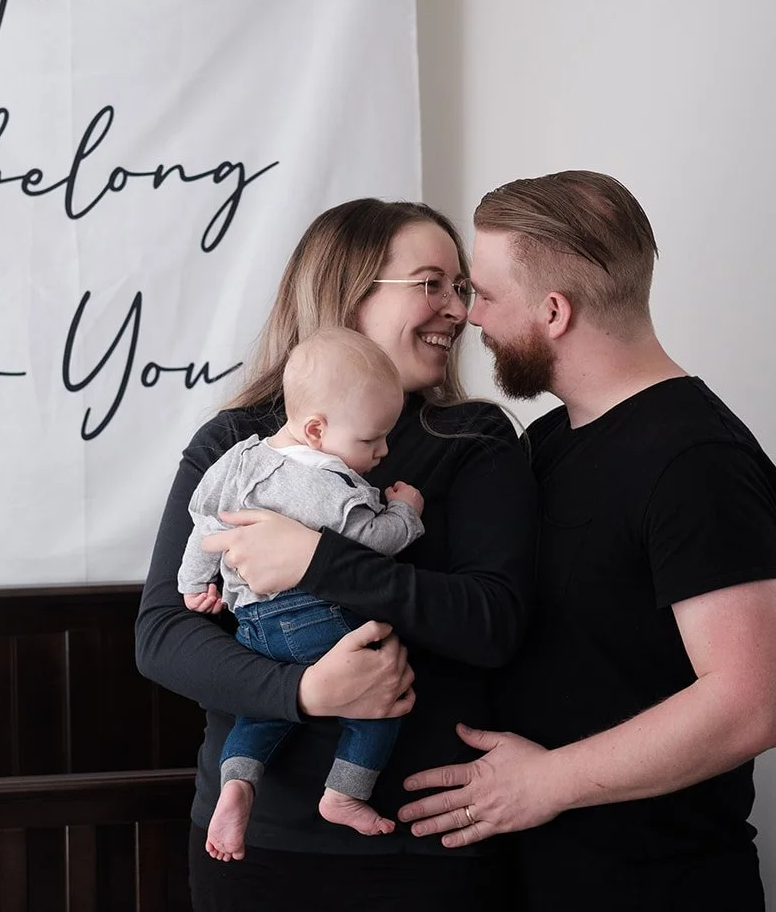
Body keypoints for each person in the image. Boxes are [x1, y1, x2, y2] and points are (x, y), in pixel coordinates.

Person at [397, 171, 776, 912]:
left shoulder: (696, 461)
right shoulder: (548, 440)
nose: (469, 316)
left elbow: (755, 702)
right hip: (536, 876)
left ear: (554, 311)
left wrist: (545, 781)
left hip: (659, 887)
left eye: (483, 293)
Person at [135, 198, 538, 912]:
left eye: (461, 287)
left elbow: (492, 621)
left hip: (428, 852)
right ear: (348, 293)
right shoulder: (234, 445)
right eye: (431, 283)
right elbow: (164, 635)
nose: (459, 310)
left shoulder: (474, 440)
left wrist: (317, 559)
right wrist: (304, 694)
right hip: (258, 850)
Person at [178, 327, 428, 860]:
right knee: (381, 696)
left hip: (254, 626)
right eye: (371, 440)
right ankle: (344, 792)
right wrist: (408, 512)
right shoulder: (323, 485)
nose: (384, 451)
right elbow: (378, 541)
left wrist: (195, 584)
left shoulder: (239, 459)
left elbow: (204, 524)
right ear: (316, 430)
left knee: (259, 715)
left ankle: (238, 785)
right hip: (311, 615)